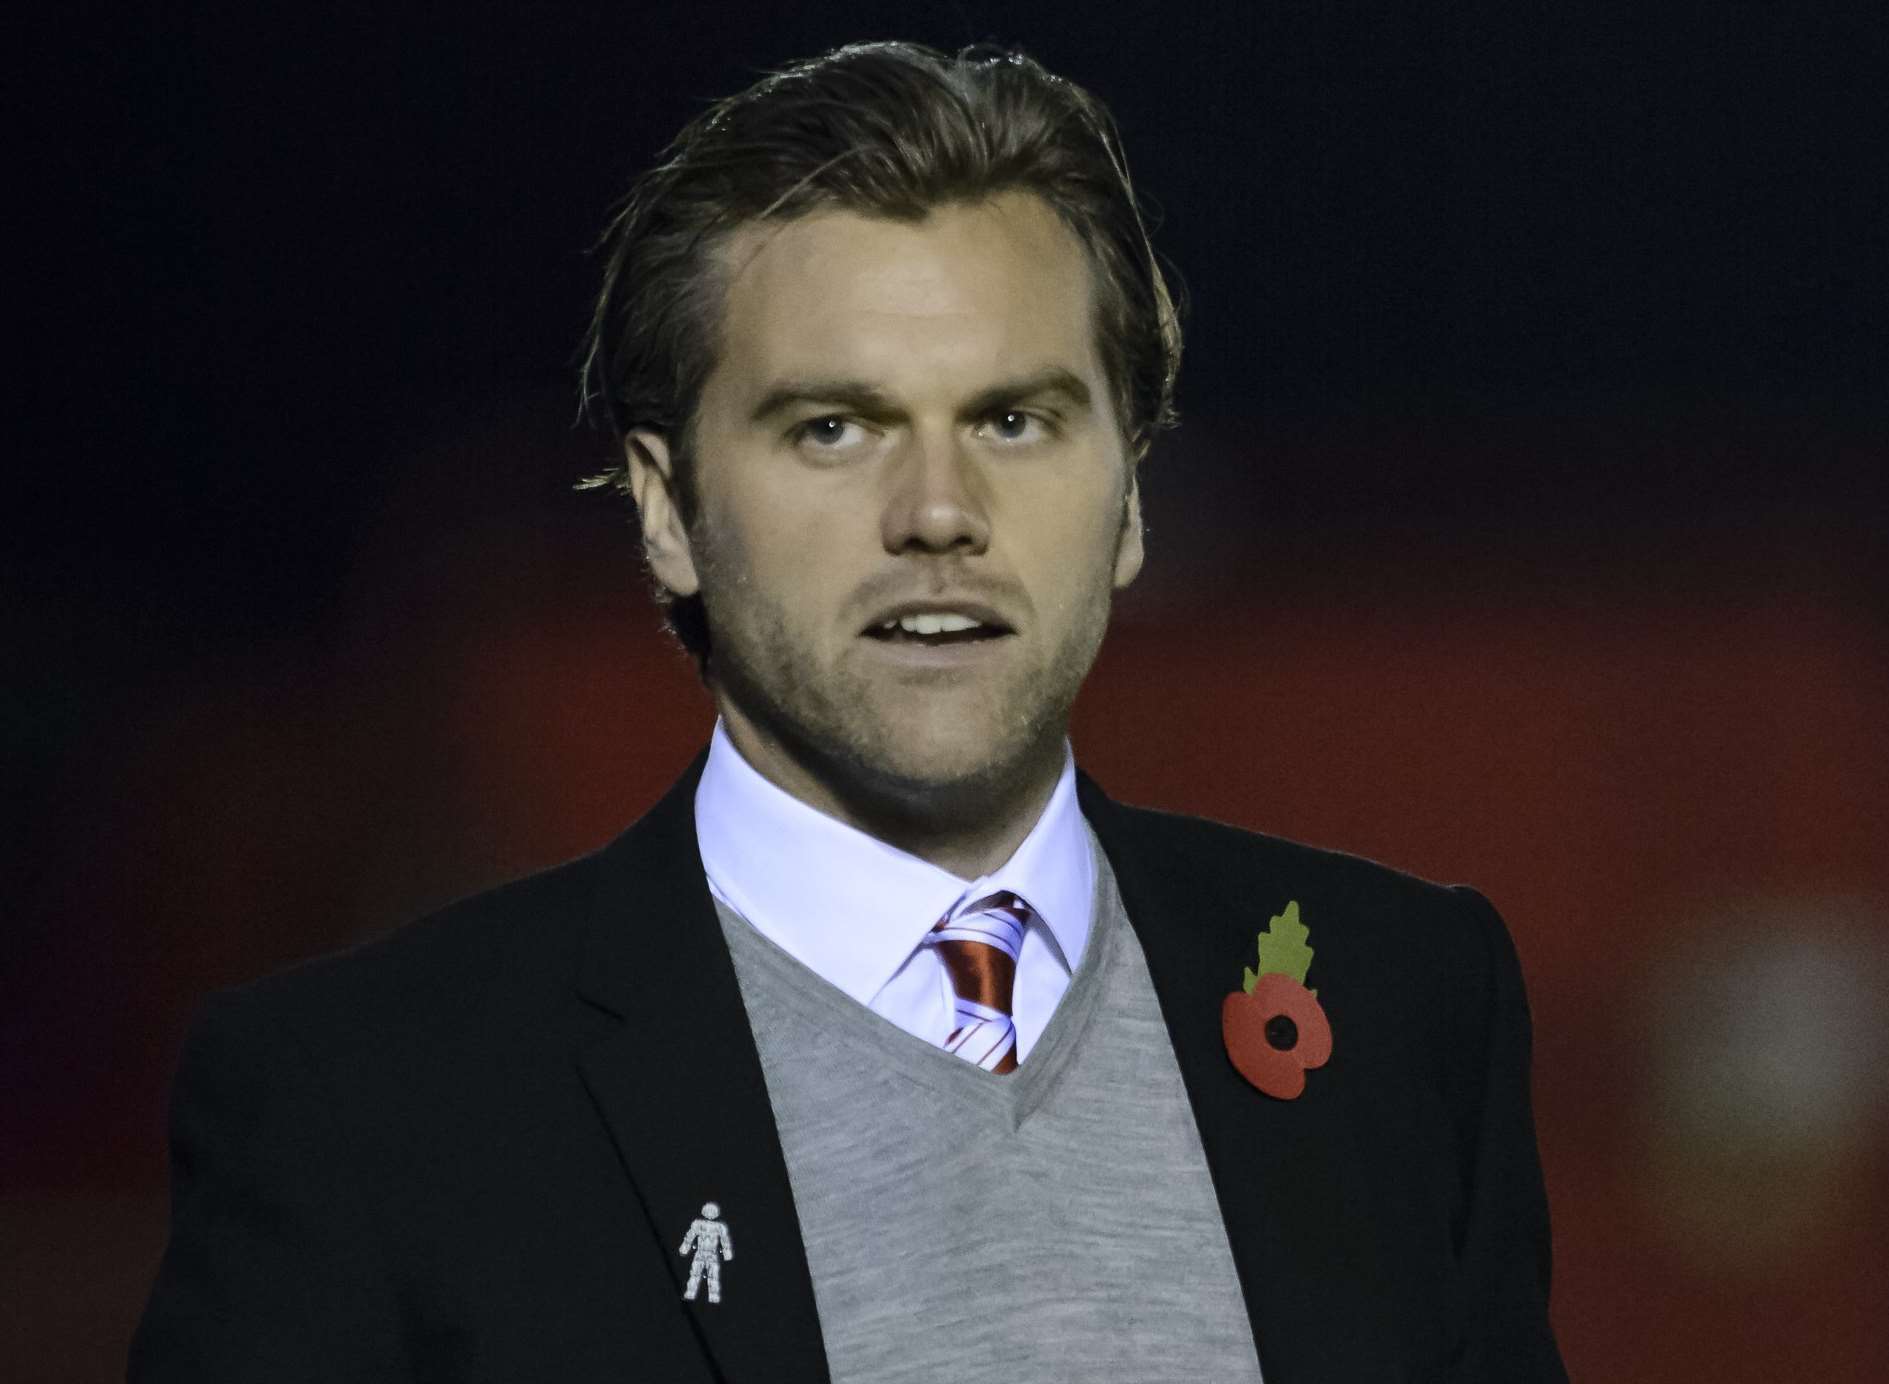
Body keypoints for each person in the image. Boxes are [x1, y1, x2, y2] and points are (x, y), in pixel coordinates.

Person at [131, 40, 1567, 1383]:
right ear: (667, 512)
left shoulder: (1403, 1007)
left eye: (1013, 420)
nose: (937, 512)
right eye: (833, 428)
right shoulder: (362, 1109)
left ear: (1130, 491)